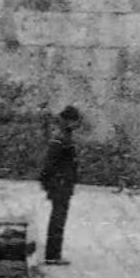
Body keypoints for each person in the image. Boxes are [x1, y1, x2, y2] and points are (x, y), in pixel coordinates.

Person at [39, 106, 81, 265]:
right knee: (58, 220)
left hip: (63, 183)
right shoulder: (62, 138)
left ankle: (53, 254)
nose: (75, 124)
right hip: (60, 184)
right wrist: (47, 181)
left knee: (58, 219)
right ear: (67, 120)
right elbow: (50, 163)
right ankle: (52, 255)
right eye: (73, 121)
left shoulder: (65, 136)